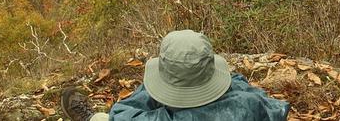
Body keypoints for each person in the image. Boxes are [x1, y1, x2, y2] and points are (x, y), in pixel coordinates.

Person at [61, 30, 290, 121]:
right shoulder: (249, 105)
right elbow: (271, 106)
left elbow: (120, 114)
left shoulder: (158, 119)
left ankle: (90, 118)